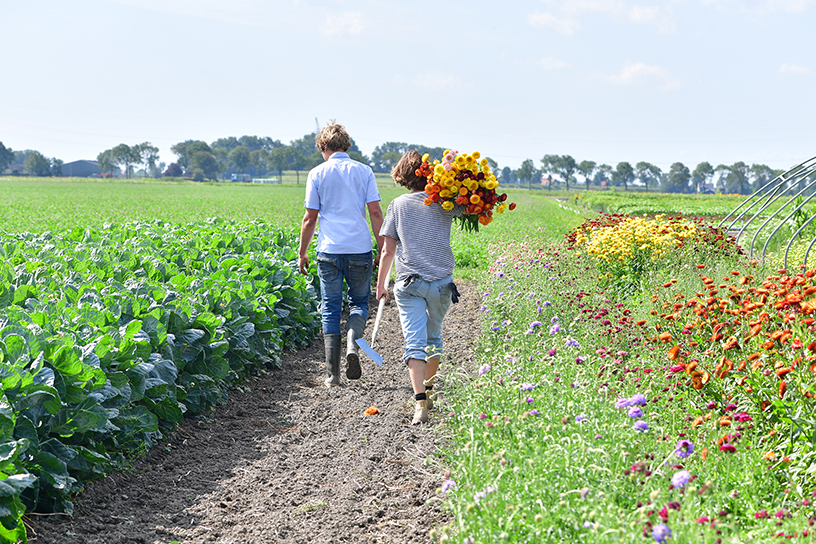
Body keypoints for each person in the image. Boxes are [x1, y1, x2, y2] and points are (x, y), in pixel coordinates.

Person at [376, 150, 462, 425]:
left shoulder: (398, 205)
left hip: (409, 283)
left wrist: (381, 285)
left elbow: (388, 251)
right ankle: (431, 391)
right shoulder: (444, 203)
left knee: (413, 342)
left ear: (402, 175)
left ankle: (420, 404)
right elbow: (474, 208)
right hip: (440, 284)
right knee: (433, 338)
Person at [298, 121, 384, 387]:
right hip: (359, 249)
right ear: (346, 145)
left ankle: (333, 375)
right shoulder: (364, 171)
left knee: (331, 308)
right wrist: (382, 249)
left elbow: (309, 219)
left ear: (324, 147)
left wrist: (302, 253)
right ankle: (352, 344)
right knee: (359, 303)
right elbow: (376, 213)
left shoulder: (317, 173)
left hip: (329, 251)